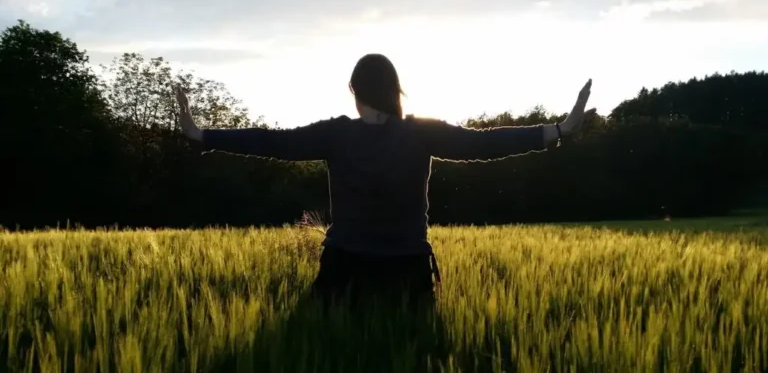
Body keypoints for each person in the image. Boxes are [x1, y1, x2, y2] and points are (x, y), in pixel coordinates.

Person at [175, 53, 594, 307]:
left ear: (355, 90)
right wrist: (557, 130)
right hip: (406, 269)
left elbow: (271, 143)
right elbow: (483, 144)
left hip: (345, 269)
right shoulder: (421, 132)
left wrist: (203, 135)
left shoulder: (336, 134)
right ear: (396, 90)